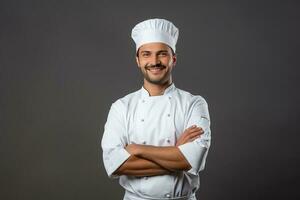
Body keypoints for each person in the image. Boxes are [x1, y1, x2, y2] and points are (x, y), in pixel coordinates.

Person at [101, 18, 211, 200]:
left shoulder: (194, 104)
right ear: (137, 60)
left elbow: (191, 160)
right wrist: (177, 153)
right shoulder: (121, 107)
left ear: (173, 59)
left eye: (162, 54)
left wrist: (137, 149)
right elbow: (115, 164)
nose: (154, 61)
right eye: (146, 54)